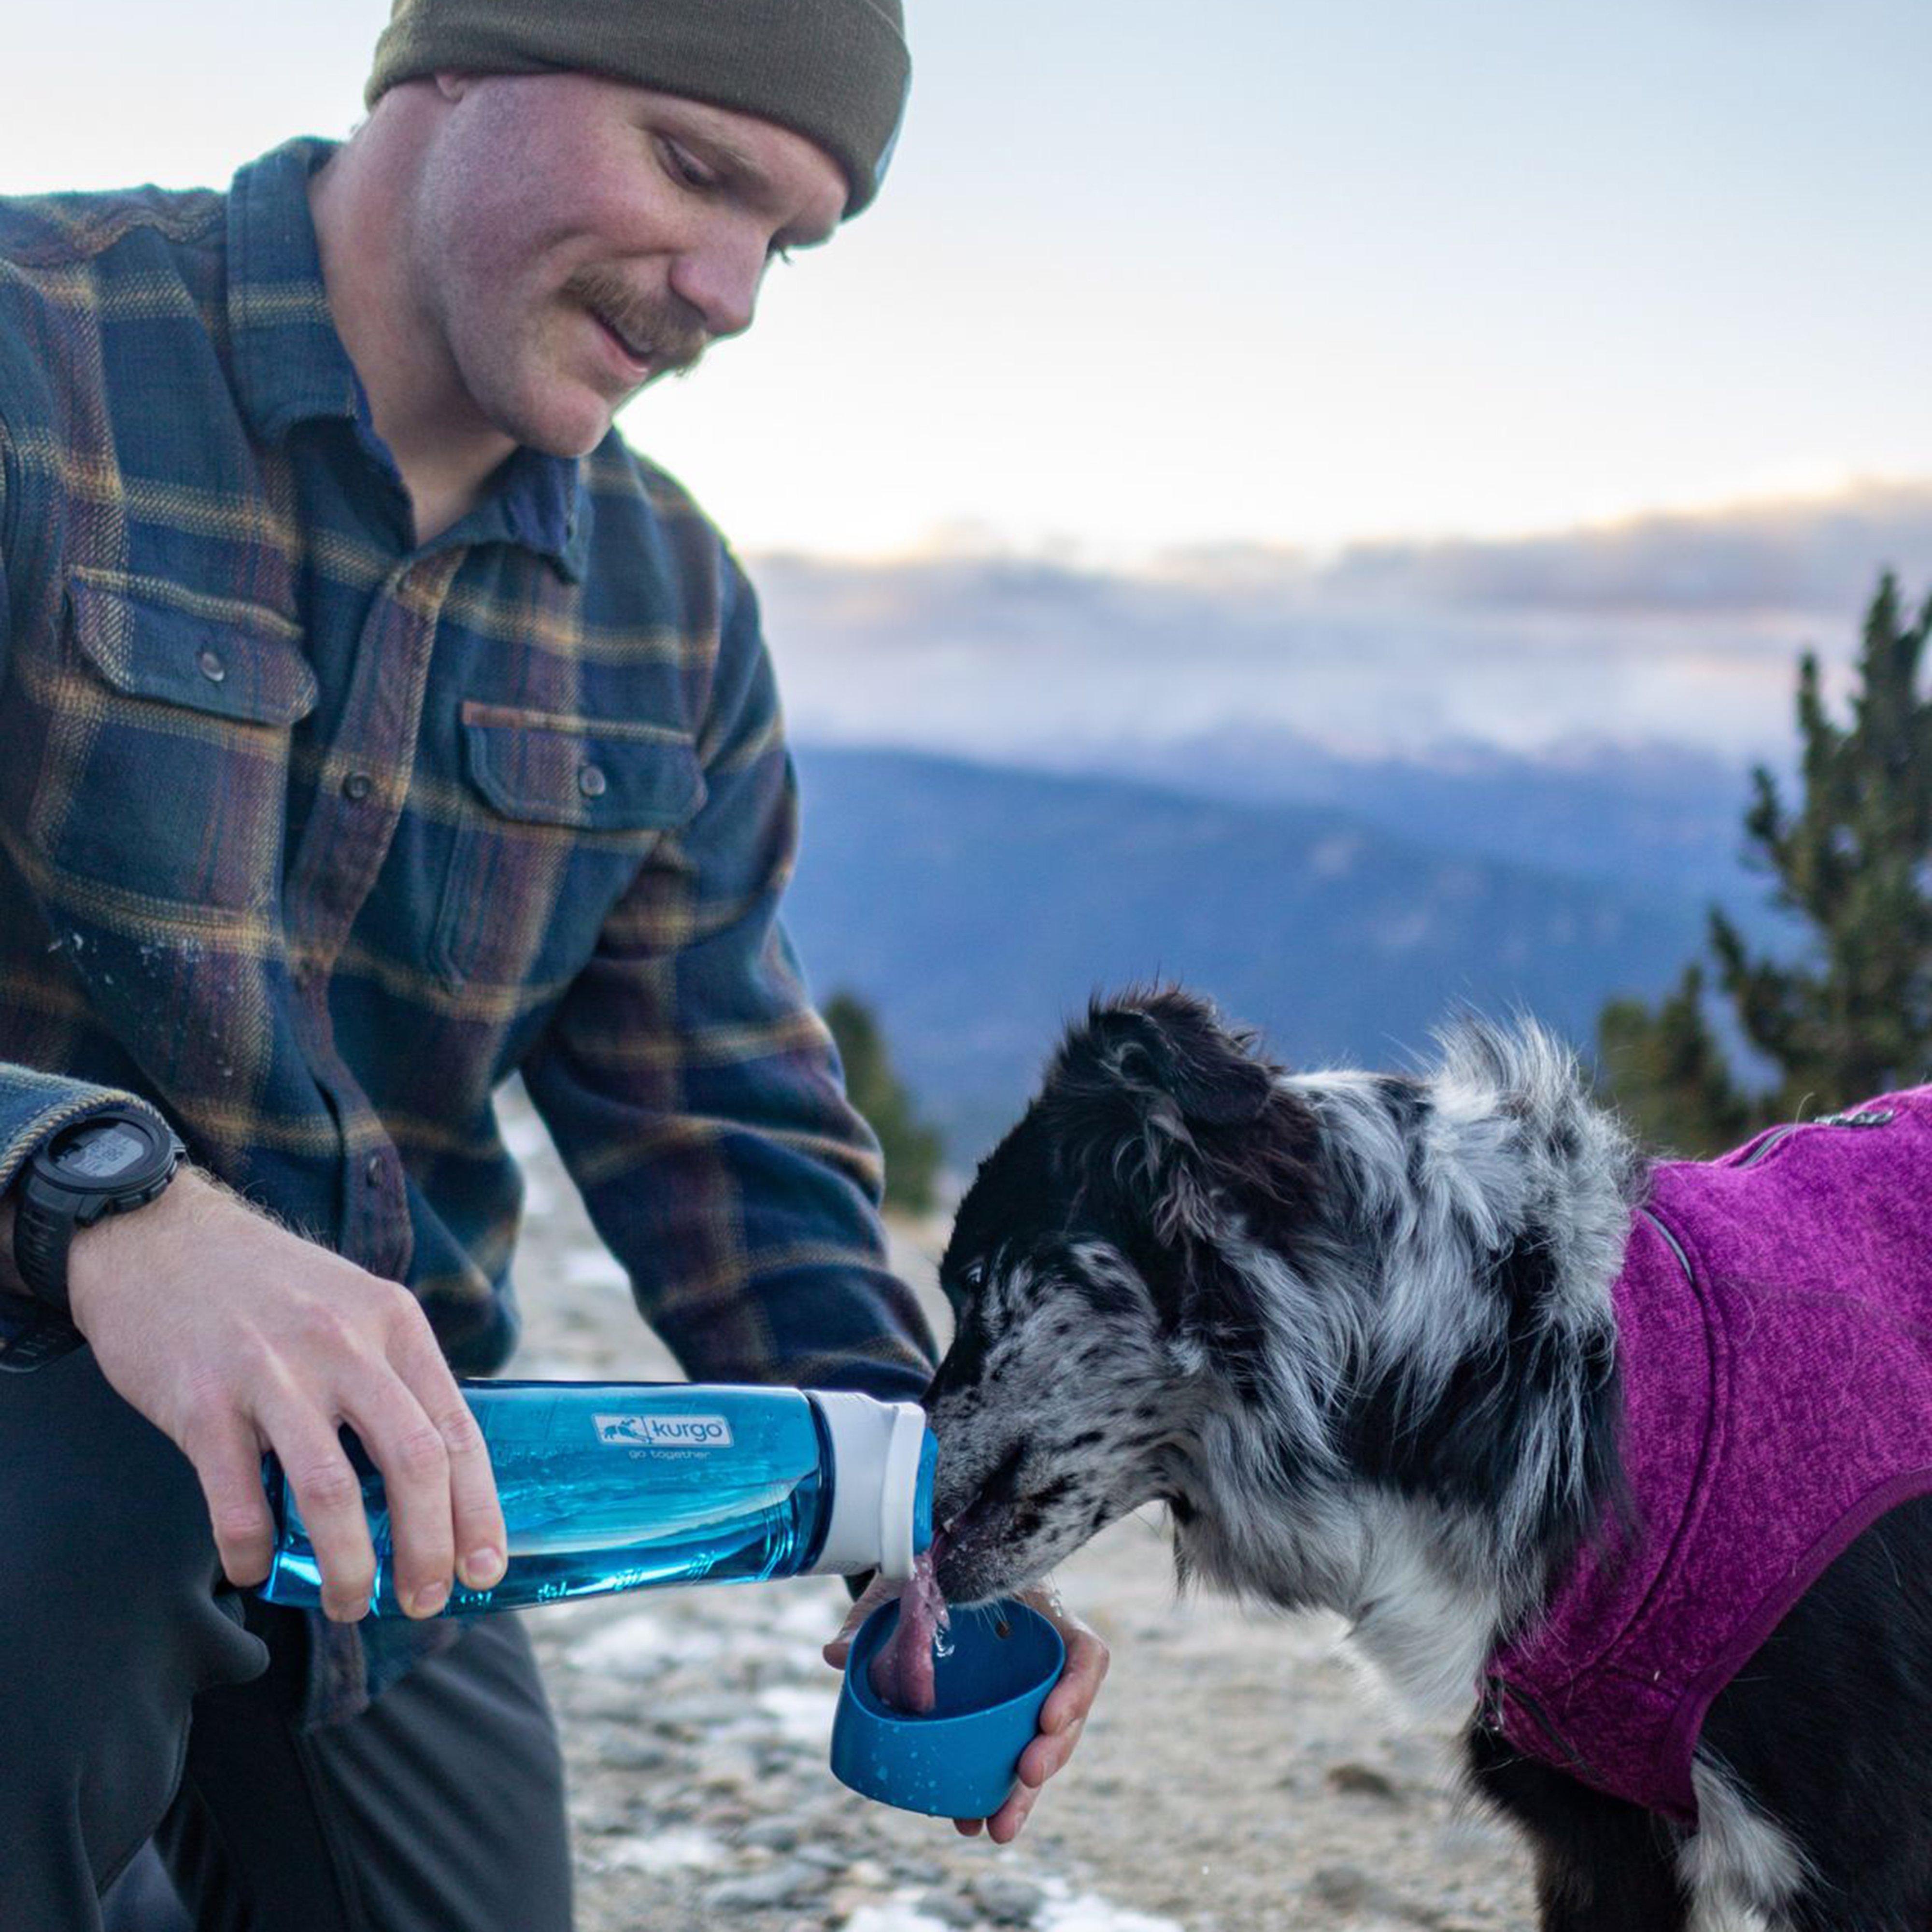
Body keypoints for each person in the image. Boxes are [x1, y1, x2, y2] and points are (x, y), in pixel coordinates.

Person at [0, 3, 1107, 1925]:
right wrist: (105, 1203)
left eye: (790, 240)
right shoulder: (37, 353)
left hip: (396, 1504)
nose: (733, 293)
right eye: (694, 171)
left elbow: (721, 1117)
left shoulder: (668, 606)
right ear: (455, 68)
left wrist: (914, 1508)